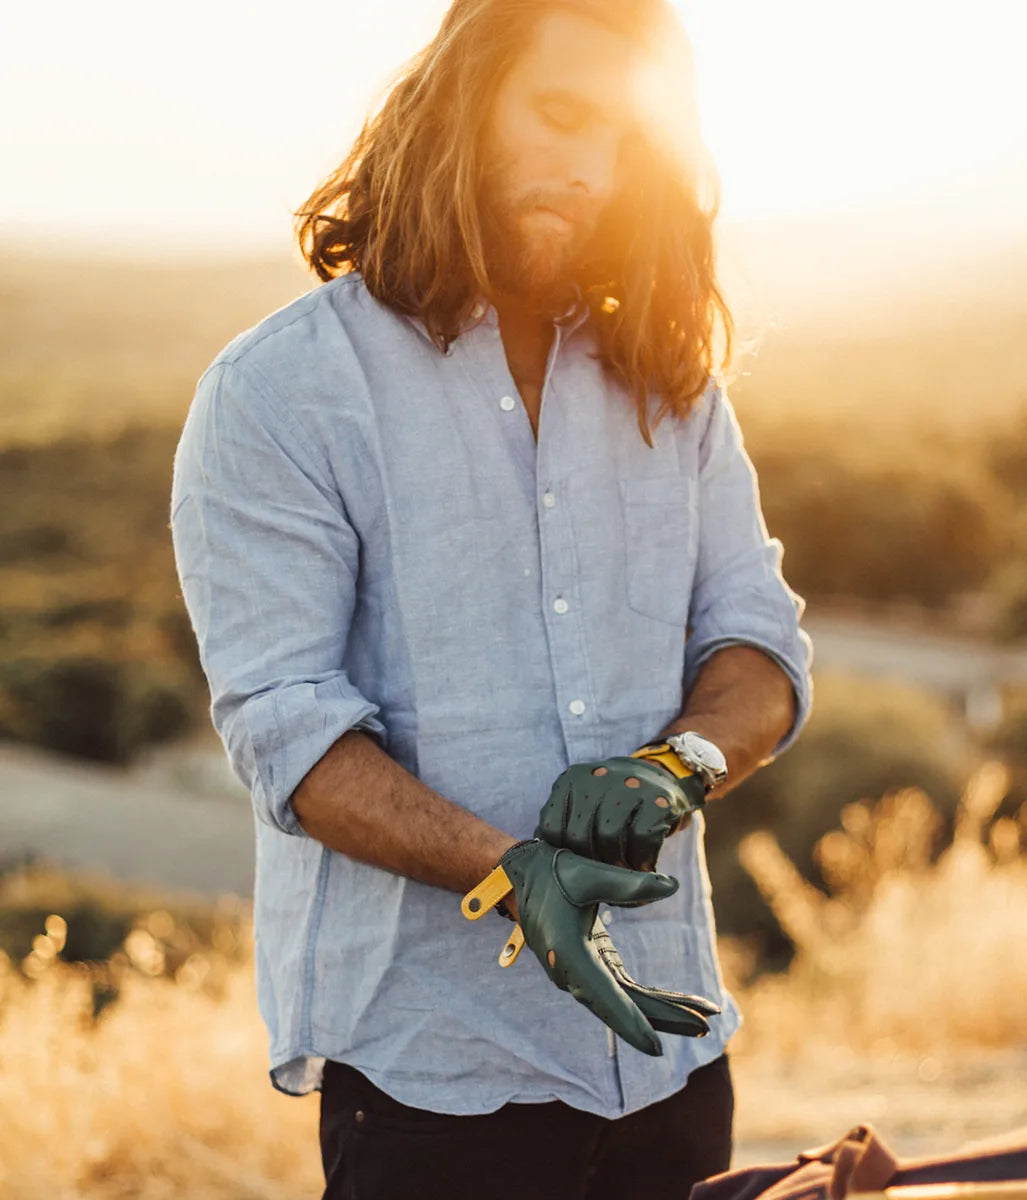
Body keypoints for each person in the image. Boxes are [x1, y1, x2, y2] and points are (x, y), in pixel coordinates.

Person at [169, 0, 813, 1195]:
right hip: (431, 1082)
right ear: (461, 106)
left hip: (671, 1072)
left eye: (628, 140)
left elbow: (760, 651)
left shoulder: (671, 391)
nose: (592, 167)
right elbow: (290, 735)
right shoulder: (281, 392)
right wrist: (514, 869)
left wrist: (683, 764)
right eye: (561, 116)